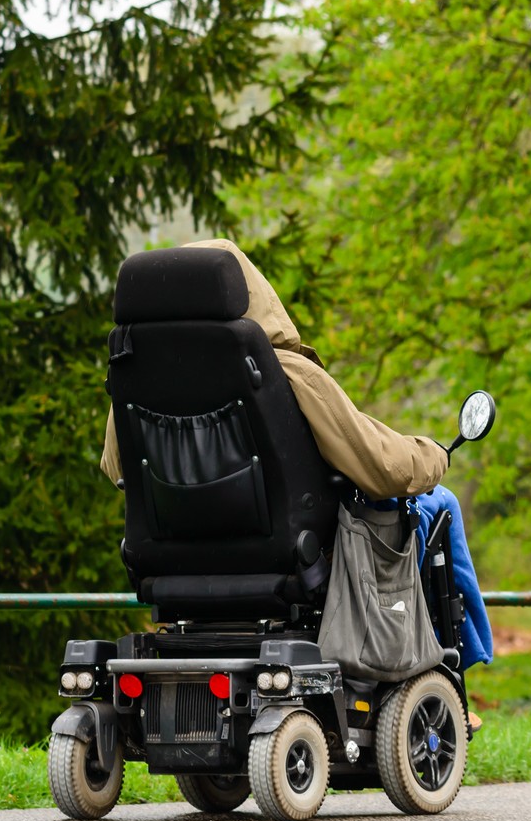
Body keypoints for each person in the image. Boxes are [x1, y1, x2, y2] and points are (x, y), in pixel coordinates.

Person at [97, 240, 493, 711]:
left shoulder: (132, 374)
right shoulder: (280, 370)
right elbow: (382, 467)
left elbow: (115, 468)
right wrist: (434, 455)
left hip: (170, 563)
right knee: (438, 502)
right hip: (289, 554)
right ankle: (453, 670)